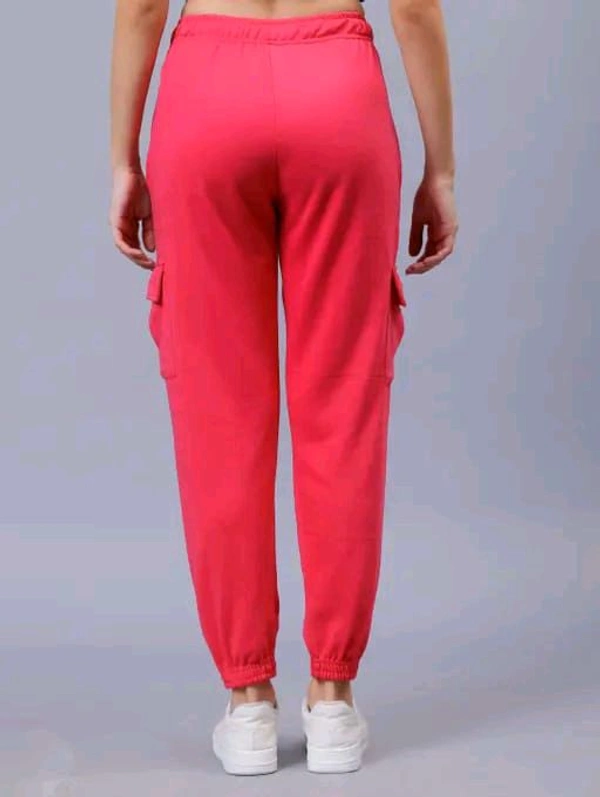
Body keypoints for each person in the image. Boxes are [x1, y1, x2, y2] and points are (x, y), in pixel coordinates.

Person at [109, 0, 458, 776]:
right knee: (343, 404)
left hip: (205, 98)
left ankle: (249, 702)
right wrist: (440, 170)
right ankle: (333, 698)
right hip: (338, 95)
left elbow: (141, 6)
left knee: (219, 411)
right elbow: (413, 8)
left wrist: (125, 159)